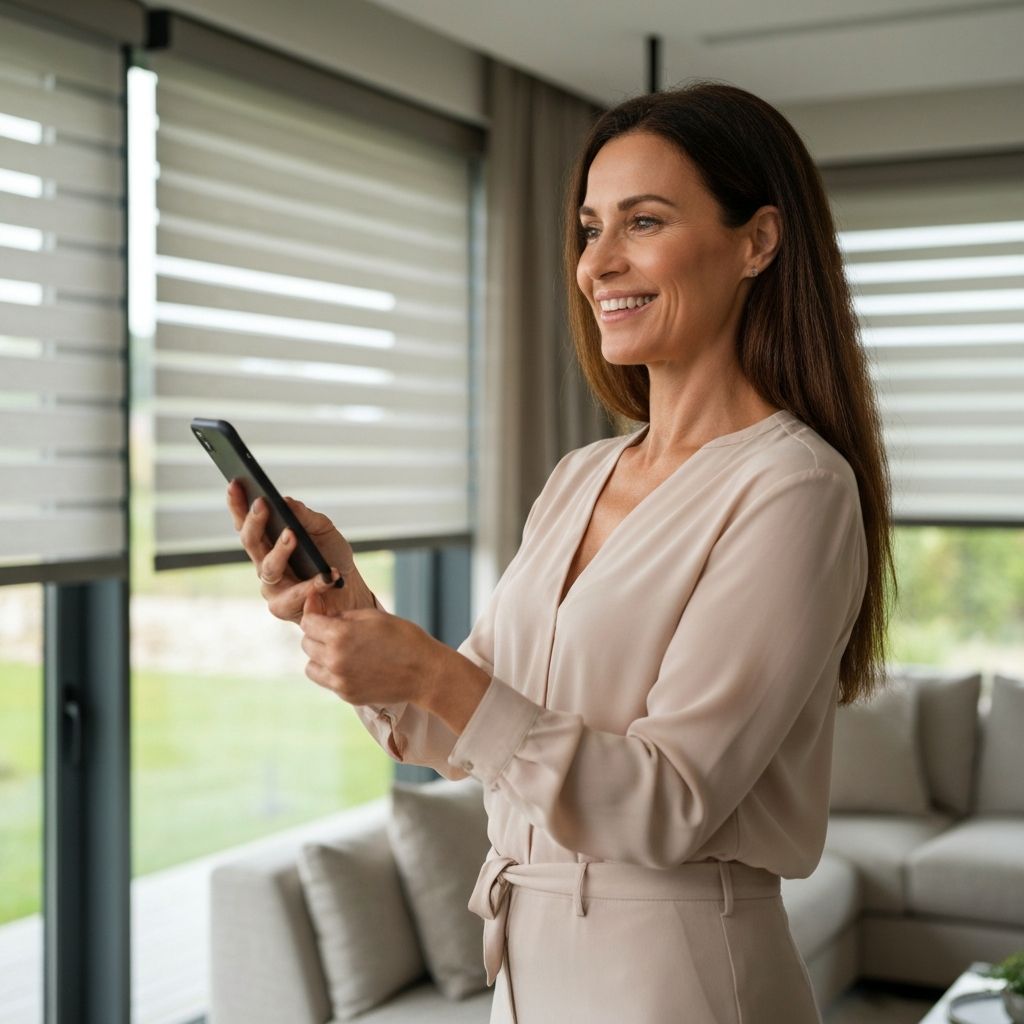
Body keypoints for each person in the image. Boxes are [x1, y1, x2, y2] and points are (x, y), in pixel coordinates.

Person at [227, 82, 895, 1024]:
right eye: (589, 229)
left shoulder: (794, 489)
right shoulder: (581, 475)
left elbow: (667, 802)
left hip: (677, 980)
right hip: (527, 971)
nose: (598, 264)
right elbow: (470, 735)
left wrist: (430, 671)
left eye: (644, 221)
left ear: (757, 242)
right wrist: (356, 617)